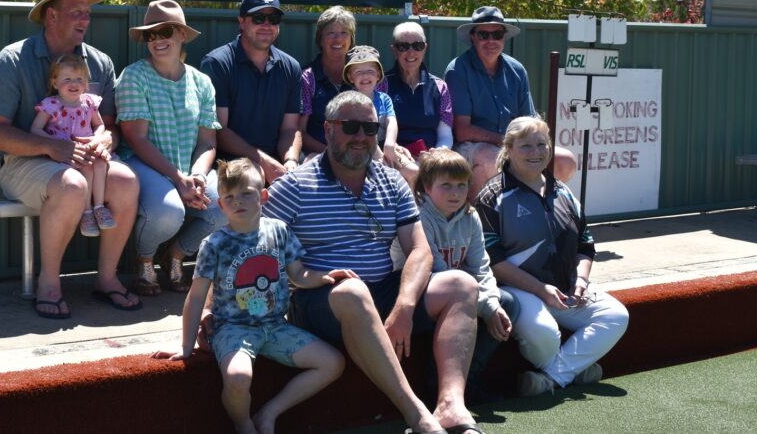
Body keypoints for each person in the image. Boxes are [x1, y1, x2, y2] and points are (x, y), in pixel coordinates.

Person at [264, 90, 482, 434]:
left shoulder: (391, 180)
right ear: (328, 129)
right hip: (321, 300)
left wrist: (405, 307)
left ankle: (451, 406)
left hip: (380, 292)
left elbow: (420, 250)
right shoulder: (294, 186)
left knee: (461, 284)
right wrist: (212, 309)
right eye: (351, 127)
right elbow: (249, 245)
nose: (362, 137)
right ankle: (418, 416)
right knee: (352, 291)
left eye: (370, 128)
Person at [0, 0, 141, 319]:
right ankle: (48, 284)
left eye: (88, 11)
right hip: (25, 163)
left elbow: (108, 124)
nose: (86, 18)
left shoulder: (99, 62)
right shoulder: (13, 59)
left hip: (86, 160)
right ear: (51, 14)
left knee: (126, 180)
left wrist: (103, 138)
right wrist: (51, 148)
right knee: (71, 185)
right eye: (77, 10)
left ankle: (107, 280)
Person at [153, 159, 350, 434]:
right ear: (220, 205)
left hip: (276, 326)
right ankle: (243, 424)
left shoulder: (279, 231)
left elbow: (298, 274)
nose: (238, 201)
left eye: (246, 193)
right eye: (229, 197)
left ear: (263, 196)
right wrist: (185, 347)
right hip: (232, 329)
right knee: (237, 377)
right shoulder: (214, 244)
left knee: (332, 363)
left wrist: (324, 277)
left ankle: (269, 412)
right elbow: (196, 296)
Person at [475, 116, 629, 396]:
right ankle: (573, 370)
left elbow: (585, 245)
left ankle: (551, 376)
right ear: (508, 149)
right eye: (526, 146)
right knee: (544, 334)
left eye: (541, 144)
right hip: (518, 289)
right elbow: (493, 261)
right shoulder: (492, 196)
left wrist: (581, 280)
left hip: (565, 287)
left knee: (616, 316)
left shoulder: (564, 192)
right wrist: (540, 289)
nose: (536, 152)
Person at [392, 148, 518, 404]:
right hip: (418, 292)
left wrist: (491, 305)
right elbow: (436, 270)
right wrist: (483, 303)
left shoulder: (470, 218)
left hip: (458, 289)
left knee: (507, 303)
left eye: (462, 186)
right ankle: (434, 386)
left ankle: (469, 380)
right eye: (446, 185)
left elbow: (481, 266)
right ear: (426, 187)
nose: (455, 193)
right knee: (465, 301)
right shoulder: (419, 217)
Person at [116, 0, 223, 296]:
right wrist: (178, 179)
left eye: (164, 32)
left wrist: (198, 177)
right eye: (150, 35)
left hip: (189, 169)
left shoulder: (202, 82)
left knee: (225, 205)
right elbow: (136, 139)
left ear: (181, 35)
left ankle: (175, 256)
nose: (157, 40)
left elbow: (207, 142)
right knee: (169, 211)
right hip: (143, 163)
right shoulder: (134, 76)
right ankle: (144, 262)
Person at [445, 5, 576, 183]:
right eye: (484, 35)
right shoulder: (458, 70)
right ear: (473, 37)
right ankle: (485, 211)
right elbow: (462, 131)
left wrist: (531, 144)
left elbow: (530, 120)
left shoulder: (517, 69)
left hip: (515, 145)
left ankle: (540, 207)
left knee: (565, 160)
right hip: (474, 147)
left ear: (504, 37)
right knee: (491, 159)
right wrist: (509, 143)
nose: (491, 40)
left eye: (497, 34)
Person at [201, 0, 301, 185]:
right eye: (258, 18)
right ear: (241, 21)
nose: (266, 25)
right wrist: (263, 161)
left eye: (273, 19)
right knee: (254, 177)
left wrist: (290, 161)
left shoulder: (291, 67)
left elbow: (290, 129)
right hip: (229, 160)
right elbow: (218, 131)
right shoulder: (217, 63)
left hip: (276, 159)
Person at [31, 54, 115, 237]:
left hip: (87, 147)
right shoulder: (52, 105)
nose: (74, 83)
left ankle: (99, 207)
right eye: (67, 79)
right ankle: (86, 212)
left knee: (100, 164)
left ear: (86, 84)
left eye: (79, 79)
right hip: (65, 153)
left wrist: (97, 138)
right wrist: (55, 143)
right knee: (87, 169)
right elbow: (35, 129)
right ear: (55, 83)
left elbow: (99, 125)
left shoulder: (89, 103)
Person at [342, 45, 417, 183]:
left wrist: (390, 144)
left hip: (385, 146)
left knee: (413, 172)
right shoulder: (349, 102)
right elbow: (361, 134)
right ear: (350, 77)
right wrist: (381, 156)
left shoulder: (384, 98)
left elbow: (391, 122)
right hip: (359, 150)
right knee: (387, 175)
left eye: (370, 71)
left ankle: (410, 204)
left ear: (378, 75)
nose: (365, 76)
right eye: (358, 72)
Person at [379, 21, 454, 158]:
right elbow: (378, 133)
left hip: (431, 157)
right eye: (403, 46)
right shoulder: (382, 85)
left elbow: (445, 135)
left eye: (417, 46)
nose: (411, 52)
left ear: (425, 48)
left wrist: (437, 154)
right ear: (394, 50)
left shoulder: (440, 87)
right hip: (394, 157)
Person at [299, 5, 355, 156]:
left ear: (351, 39)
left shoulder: (361, 75)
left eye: (344, 32)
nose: (338, 39)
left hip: (356, 155)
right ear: (320, 39)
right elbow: (300, 132)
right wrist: (330, 154)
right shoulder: (307, 77)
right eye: (331, 33)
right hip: (316, 154)